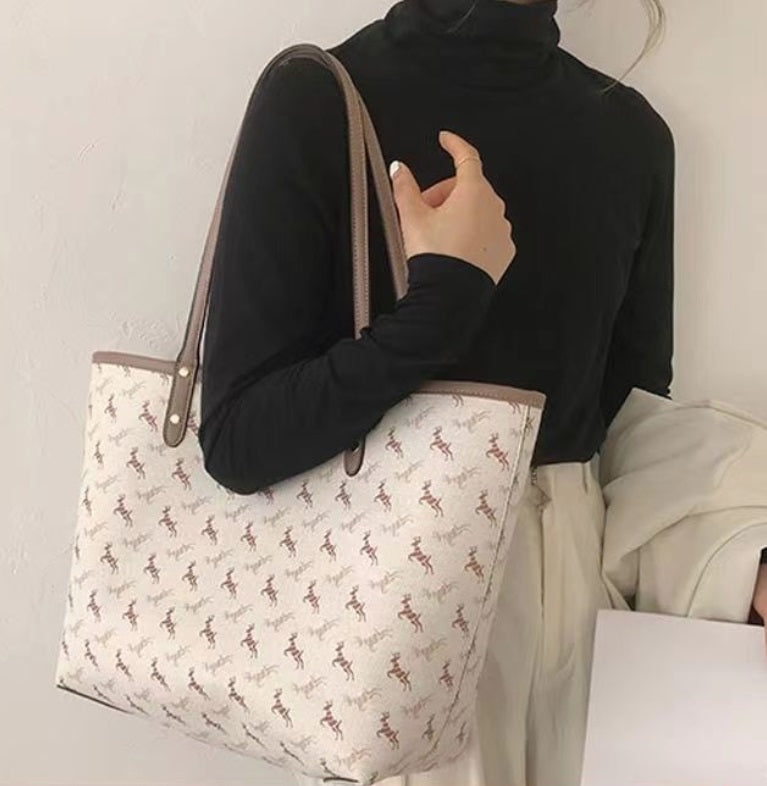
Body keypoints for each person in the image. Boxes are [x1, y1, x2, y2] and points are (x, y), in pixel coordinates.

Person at [197, 0, 767, 783]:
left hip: (579, 620)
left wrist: (741, 558)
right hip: (393, 614)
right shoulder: (320, 97)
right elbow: (237, 441)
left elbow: (627, 420)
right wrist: (444, 300)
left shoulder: (629, 133)